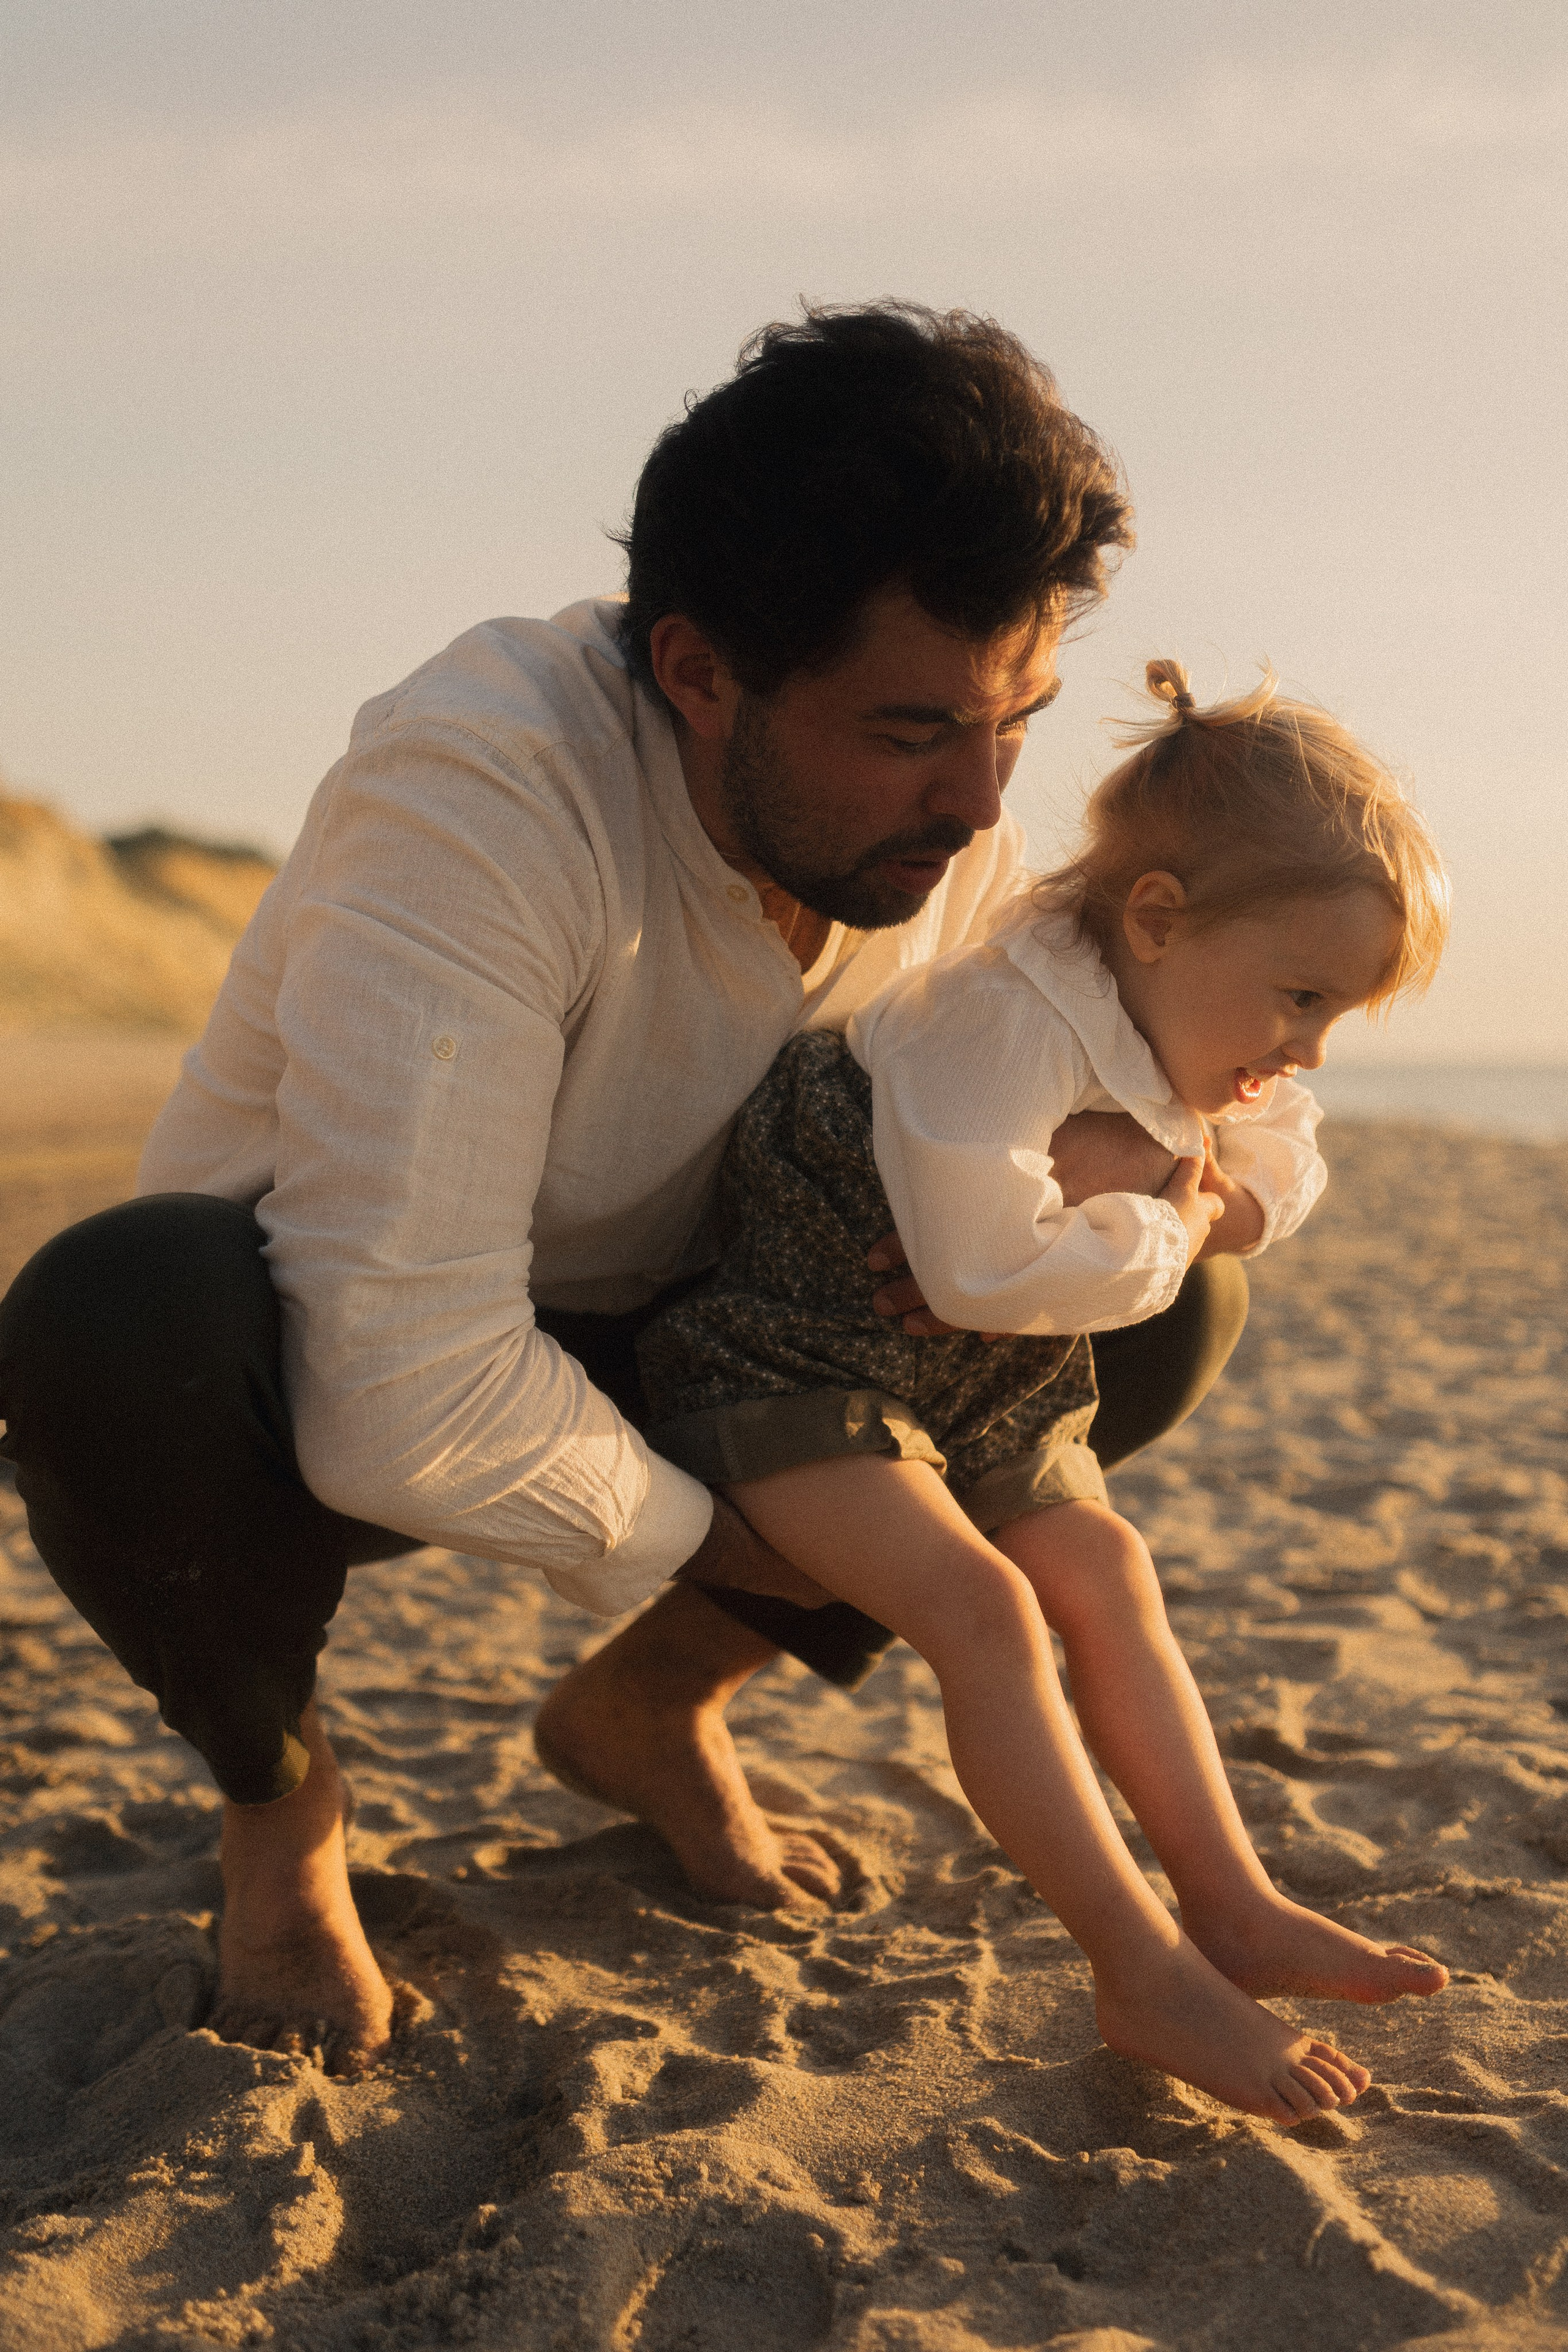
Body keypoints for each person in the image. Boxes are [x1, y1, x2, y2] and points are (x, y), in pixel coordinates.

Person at [0, 306, 1244, 2078]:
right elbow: (402, 1391)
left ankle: (648, 1708)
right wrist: (809, 1533)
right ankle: (283, 1811)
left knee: (1153, 1299)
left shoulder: (948, 831)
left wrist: (1168, 1163)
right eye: (909, 732)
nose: (979, 805)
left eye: (1017, 724)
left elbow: (1162, 1086)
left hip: (699, 1320)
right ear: (696, 670)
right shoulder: (484, 787)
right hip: (292, 1351)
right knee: (112, 1319)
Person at [632, 659, 1453, 2125]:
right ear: (1155, 916)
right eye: (1299, 997)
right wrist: (1165, 1211)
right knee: (988, 1614)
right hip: (791, 1356)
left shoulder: (1181, 998)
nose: (1305, 1047)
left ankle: (1231, 1901)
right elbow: (976, 1273)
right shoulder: (999, 1018)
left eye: (1333, 1013)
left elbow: (1283, 1156)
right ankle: (1137, 1966)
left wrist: (1177, 1190)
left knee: (1106, 1568)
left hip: (966, 1389)